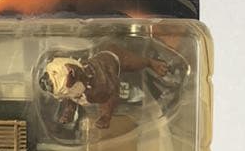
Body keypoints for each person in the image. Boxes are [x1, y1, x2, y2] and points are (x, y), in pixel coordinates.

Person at [39, 43, 169, 129]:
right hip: (81, 80)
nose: (48, 81)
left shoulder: (100, 85)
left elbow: (112, 93)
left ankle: (151, 62)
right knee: (71, 94)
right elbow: (70, 96)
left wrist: (106, 116)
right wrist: (70, 110)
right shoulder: (71, 88)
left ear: (73, 73)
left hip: (114, 57)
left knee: (134, 63)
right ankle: (71, 111)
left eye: (54, 74)